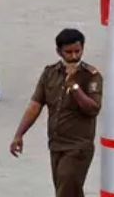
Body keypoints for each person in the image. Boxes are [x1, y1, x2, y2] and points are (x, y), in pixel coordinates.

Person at [9, 29, 103, 197]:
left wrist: (74, 87)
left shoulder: (91, 76)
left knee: (65, 191)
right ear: (59, 52)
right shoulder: (50, 73)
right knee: (69, 191)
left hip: (78, 147)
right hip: (56, 145)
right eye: (69, 52)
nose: (74, 56)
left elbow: (93, 109)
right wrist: (19, 134)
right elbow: (35, 106)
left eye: (78, 51)